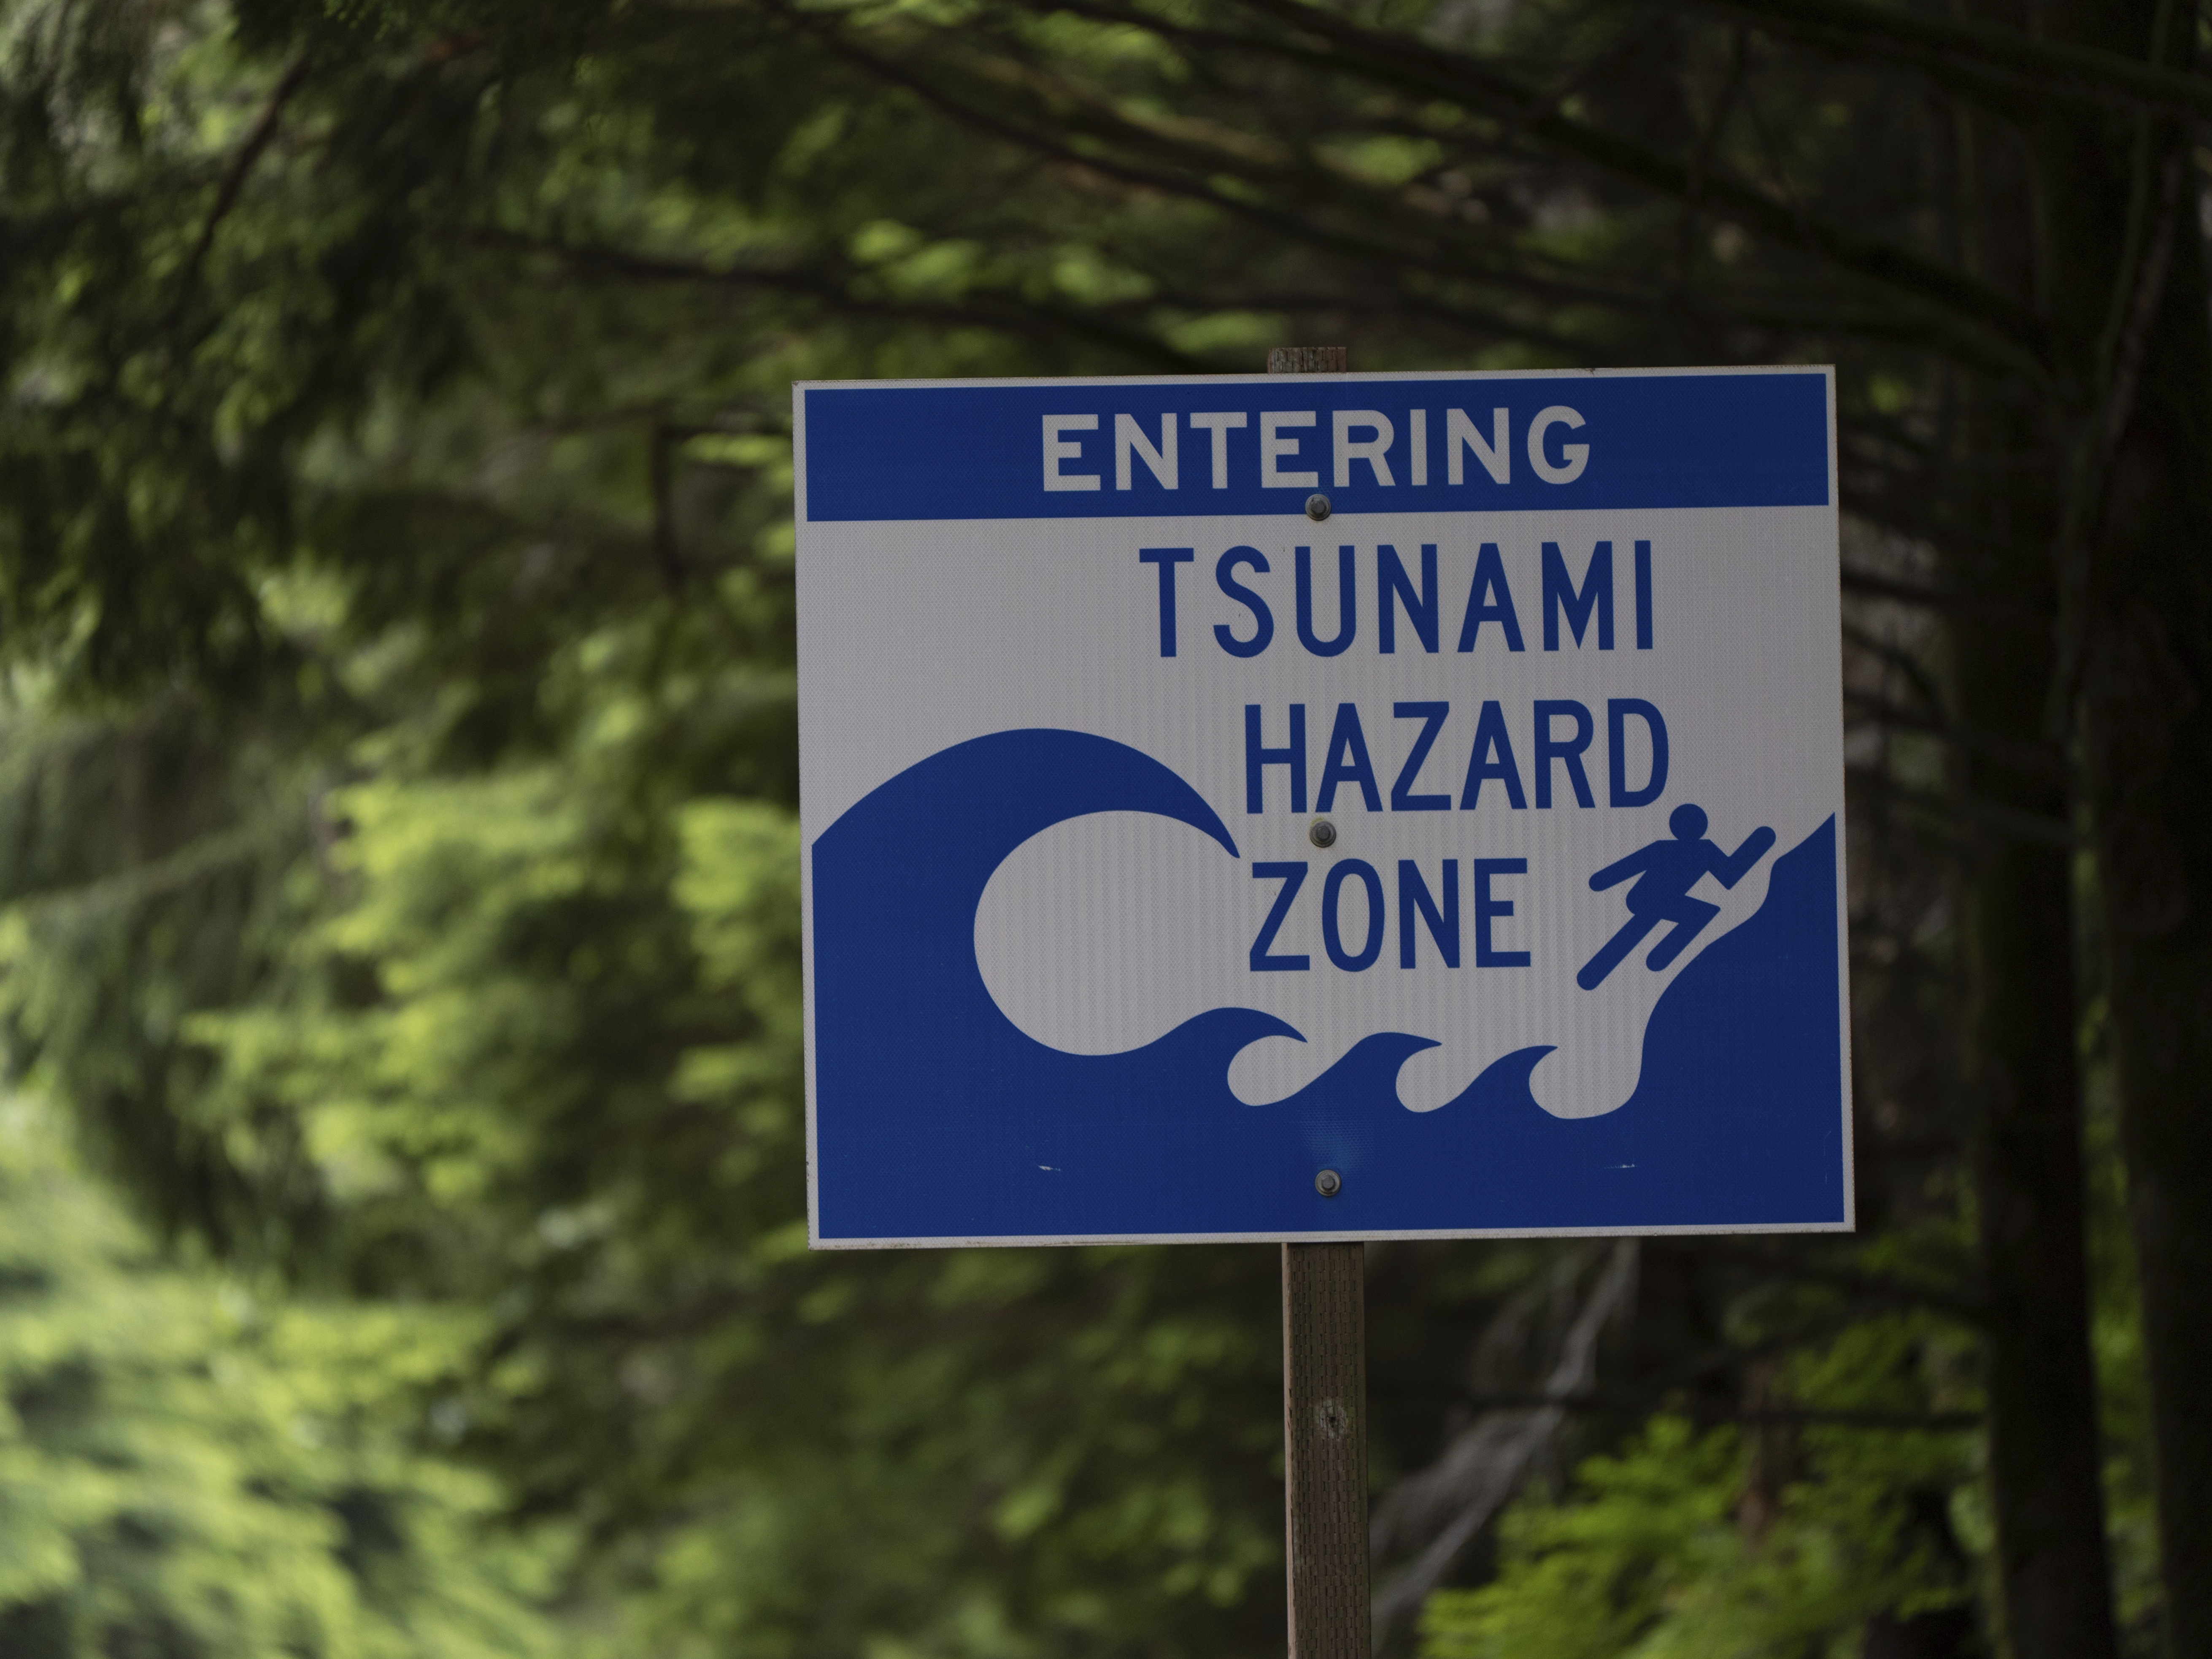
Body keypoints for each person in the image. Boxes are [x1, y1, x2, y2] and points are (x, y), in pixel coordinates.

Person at [1575, 804, 1776, 990]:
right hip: (1645, 899)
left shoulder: (1704, 850)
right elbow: (1628, 867)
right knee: (1697, 914)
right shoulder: (1673, 848)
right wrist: (1601, 881)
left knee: (1679, 918)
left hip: (1657, 900)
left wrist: (1759, 844)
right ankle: (1660, 957)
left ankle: (1659, 957)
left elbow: (1730, 875)